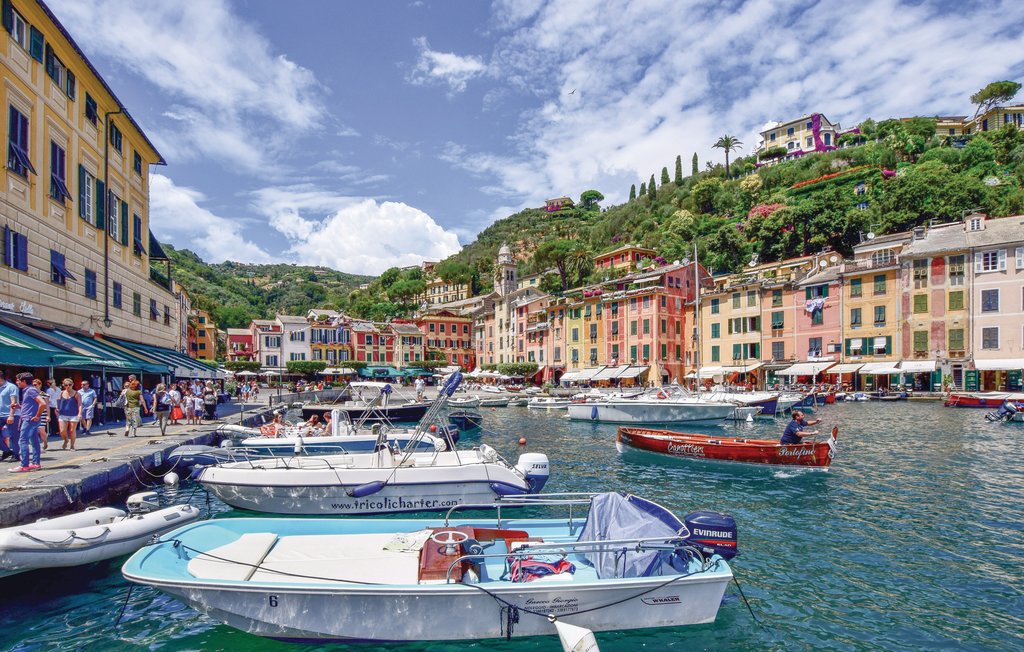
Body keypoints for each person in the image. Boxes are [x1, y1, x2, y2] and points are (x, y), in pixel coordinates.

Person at [11, 372, 47, 472]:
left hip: (29, 420)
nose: (16, 382)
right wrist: (19, 406)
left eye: (18, 380)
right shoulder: (29, 390)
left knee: (22, 441)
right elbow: (32, 405)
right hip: (30, 419)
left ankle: (24, 465)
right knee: (34, 441)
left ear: (24, 381)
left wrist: (37, 416)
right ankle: (35, 463)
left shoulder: (30, 390)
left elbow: (42, 403)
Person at [57, 378, 82, 451]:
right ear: (63, 385)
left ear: (72, 385)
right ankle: (66, 440)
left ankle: (72, 445)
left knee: (72, 430)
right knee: (62, 431)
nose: (68, 386)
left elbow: (80, 404)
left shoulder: (77, 394)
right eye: (66, 385)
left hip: (73, 414)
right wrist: (57, 407)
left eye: (69, 385)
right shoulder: (61, 393)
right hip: (63, 414)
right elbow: (58, 401)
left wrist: (79, 414)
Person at [0, 371, 19, 462]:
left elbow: (13, 402)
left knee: (13, 436)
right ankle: (6, 451)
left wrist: (11, 415)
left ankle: (16, 455)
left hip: (12, 414)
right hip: (0, 414)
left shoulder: (11, 387)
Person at [32, 379, 50, 450]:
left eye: (35, 385)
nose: (34, 386)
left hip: (42, 413)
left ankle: (45, 441)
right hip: (33, 413)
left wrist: (48, 415)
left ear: (40, 385)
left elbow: (47, 405)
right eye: (33, 385)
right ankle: (37, 446)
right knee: (34, 430)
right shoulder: (31, 394)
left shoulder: (44, 394)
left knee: (41, 429)